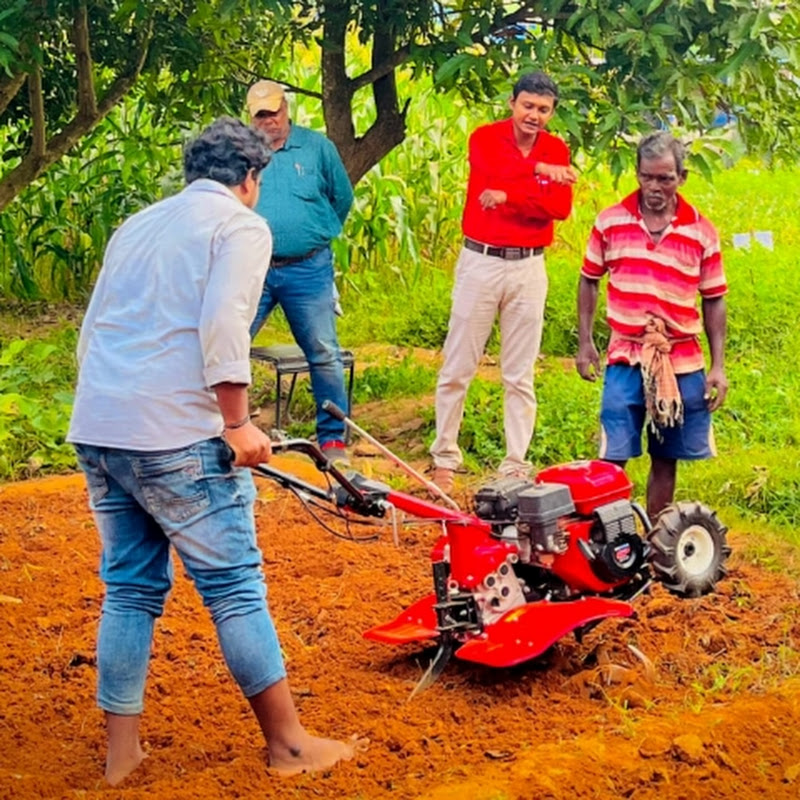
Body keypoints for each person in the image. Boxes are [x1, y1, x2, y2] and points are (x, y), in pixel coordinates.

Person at [68, 117, 360, 786]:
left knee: (130, 588)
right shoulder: (240, 224)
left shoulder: (139, 224)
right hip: (176, 435)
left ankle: (122, 756)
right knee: (232, 584)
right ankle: (288, 746)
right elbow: (226, 320)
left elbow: (95, 328)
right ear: (250, 178)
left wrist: (108, 413)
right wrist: (235, 423)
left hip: (100, 426)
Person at [430, 71, 576, 494]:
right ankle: (445, 456)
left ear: (552, 112)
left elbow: (557, 207)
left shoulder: (557, 148)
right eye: (527, 106)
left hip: (529, 265)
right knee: (459, 364)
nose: (534, 115)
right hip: (481, 259)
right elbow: (491, 171)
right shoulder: (485, 137)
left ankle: (515, 463)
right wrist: (539, 174)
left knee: (520, 372)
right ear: (513, 103)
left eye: (543, 109)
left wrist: (512, 194)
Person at [576, 131, 728, 520]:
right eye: (647, 177)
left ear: (682, 177)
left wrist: (718, 366)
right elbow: (589, 278)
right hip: (626, 354)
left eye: (665, 178)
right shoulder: (611, 222)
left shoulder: (701, 231)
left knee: (666, 456)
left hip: (681, 361)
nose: (655, 187)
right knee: (614, 456)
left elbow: (714, 299)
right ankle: (613, 542)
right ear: (637, 174)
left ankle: (656, 541)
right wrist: (586, 342)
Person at [246, 79, 354, 463]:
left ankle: (332, 440)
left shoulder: (316, 148)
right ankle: (226, 429)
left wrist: (315, 231)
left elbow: (342, 198)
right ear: (251, 117)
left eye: (274, 111)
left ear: (286, 108)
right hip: (252, 269)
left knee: (323, 352)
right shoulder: (242, 153)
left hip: (308, 267)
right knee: (228, 344)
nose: (269, 120)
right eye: (261, 114)